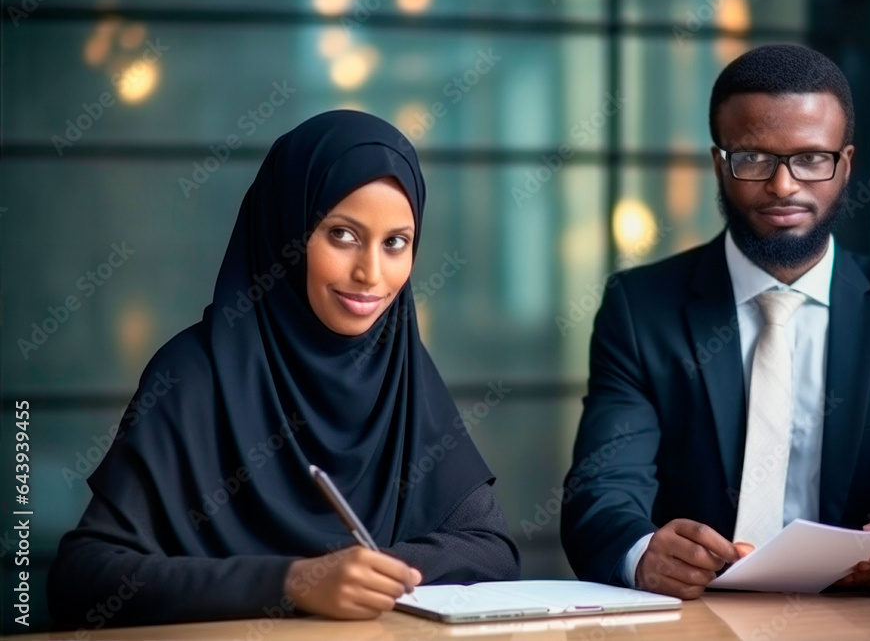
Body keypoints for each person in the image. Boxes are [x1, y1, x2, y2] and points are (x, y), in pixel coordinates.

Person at [48, 110, 520, 627]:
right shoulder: (194, 376)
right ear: (285, 233)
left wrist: (370, 575)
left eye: (395, 243)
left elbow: (490, 548)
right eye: (342, 234)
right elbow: (83, 578)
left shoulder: (401, 369)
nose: (371, 274)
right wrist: (293, 582)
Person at [561, 44, 870, 600]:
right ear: (720, 164)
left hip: (866, 623)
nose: (784, 186)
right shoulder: (641, 307)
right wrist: (642, 554)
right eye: (754, 159)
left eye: (811, 159)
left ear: (846, 165)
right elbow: (601, 492)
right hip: (697, 620)